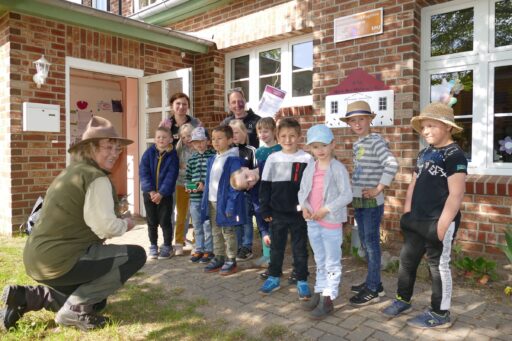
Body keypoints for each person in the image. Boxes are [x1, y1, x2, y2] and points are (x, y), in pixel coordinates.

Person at [0, 116, 146, 331]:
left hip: (37, 259)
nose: (115, 154)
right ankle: (74, 311)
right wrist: (126, 224)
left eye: (118, 149)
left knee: (97, 301)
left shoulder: (71, 171)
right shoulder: (95, 178)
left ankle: (25, 297)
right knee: (135, 255)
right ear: (90, 148)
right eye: (109, 147)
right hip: (62, 260)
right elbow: (105, 227)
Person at [382, 102, 467, 329]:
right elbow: (415, 182)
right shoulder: (425, 152)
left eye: (431, 125)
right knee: (407, 261)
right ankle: (403, 299)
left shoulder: (454, 154)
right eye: (423, 127)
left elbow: (456, 195)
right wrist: (407, 210)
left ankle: (440, 314)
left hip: (438, 222)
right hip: (416, 219)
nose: (426, 131)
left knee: (438, 267)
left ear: (448, 127)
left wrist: (442, 225)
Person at [342, 100, 398, 306]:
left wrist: (378, 188)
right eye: (353, 121)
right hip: (359, 201)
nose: (357, 124)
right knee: (365, 243)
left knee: (372, 244)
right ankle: (374, 283)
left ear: (369, 120)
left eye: (361, 120)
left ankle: (373, 289)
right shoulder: (358, 143)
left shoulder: (375, 141)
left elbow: (391, 164)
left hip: (372, 202)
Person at [298, 124, 352, 319]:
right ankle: (320, 292)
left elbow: (347, 195)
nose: (319, 150)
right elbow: (303, 191)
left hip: (330, 223)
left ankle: (328, 299)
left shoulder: (337, 168)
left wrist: (326, 209)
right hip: (312, 222)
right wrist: (304, 206)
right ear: (310, 149)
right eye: (315, 147)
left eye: (323, 146)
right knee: (319, 259)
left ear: (332, 145)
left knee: (332, 262)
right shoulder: (310, 167)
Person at [258, 117, 313, 300]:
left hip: (300, 213)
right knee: (277, 247)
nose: (288, 140)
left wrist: (310, 207)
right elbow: (265, 186)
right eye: (283, 136)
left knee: (300, 248)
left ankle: (302, 280)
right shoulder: (272, 158)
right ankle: (274, 277)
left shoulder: (307, 158)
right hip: (277, 213)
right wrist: (265, 209)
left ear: (299, 136)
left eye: (292, 136)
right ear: (277, 136)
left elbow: (313, 185)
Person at [200, 125, 247, 276]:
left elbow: (235, 186)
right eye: (213, 139)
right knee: (215, 231)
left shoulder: (233, 160)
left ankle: (231, 259)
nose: (215, 142)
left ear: (229, 139)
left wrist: (230, 205)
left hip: (225, 203)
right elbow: (208, 182)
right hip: (212, 201)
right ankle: (219, 256)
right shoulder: (212, 159)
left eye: (220, 138)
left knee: (228, 231)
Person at [139, 126, 179, 260]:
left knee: (165, 221)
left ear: (170, 139)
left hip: (165, 195)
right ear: (155, 139)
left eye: (164, 137)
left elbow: (171, 176)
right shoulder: (148, 153)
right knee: (151, 221)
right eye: (158, 137)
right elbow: (143, 173)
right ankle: (153, 246)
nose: (161, 139)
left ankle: (167, 246)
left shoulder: (173, 156)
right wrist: (150, 191)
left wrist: (161, 193)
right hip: (149, 194)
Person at [254, 117, 281, 274]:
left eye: (266, 131)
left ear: (274, 132)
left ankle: (274, 257)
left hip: (275, 192)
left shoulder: (278, 149)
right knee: (263, 223)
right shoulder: (259, 152)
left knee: (274, 225)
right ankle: (266, 255)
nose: (263, 134)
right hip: (262, 191)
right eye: (260, 131)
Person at [186, 127, 216, 263]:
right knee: (197, 225)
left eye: (201, 141)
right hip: (194, 199)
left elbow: (215, 178)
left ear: (208, 141)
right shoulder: (192, 159)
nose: (198, 144)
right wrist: (189, 187)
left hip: (208, 199)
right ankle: (199, 249)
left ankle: (209, 250)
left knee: (207, 225)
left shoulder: (213, 156)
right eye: (195, 142)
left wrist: (205, 186)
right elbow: (188, 177)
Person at [229, 119, 257, 262]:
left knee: (245, 220)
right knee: (236, 221)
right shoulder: (228, 152)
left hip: (246, 194)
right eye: (231, 132)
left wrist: (249, 184)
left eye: (237, 132)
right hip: (232, 195)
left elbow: (255, 172)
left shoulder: (251, 151)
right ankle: (238, 245)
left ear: (244, 133)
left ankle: (247, 246)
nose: (234, 135)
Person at [173, 123, 195, 255]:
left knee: (196, 214)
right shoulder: (179, 150)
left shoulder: (197, 149)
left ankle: (198, 241)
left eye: (189, 135)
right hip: (181, 185)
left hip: (195, 185)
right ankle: (178, 242)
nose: (187, 139)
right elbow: (177, 167)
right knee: (182, 215)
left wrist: (185, 167)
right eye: (184, 136)